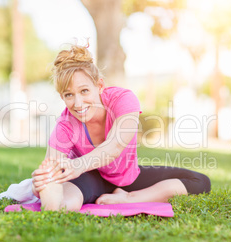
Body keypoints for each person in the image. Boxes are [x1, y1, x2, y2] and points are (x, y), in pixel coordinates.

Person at [31, 43, 211, 211]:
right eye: (69, 95)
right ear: (62, 97)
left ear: (99, 85)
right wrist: (40, 183)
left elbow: (115, 145)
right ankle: (54, 204)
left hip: (128, 176)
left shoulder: (122, 100)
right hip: (88, 178)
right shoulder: (65, 125)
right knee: (60, 201)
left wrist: (77, 165)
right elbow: (51, 169)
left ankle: (129, 198)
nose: (78, 103)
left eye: (84, 91)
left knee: (200, 181)